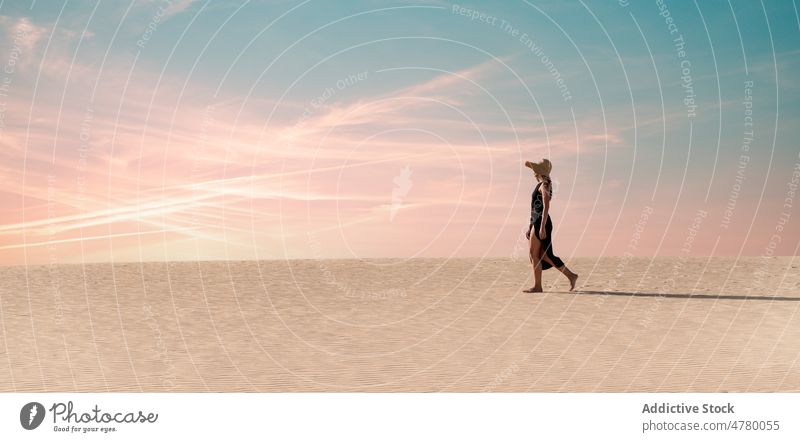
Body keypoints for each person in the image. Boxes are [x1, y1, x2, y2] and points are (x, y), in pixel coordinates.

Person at [523, 159, 578, 293]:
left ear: (539, 172)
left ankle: (538, 286)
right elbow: (535, 208)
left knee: (535, 254)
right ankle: (570, 275)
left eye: (535, 171)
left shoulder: (545, 185)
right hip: (536, 221)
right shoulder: (541, 184)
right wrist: (531, 226)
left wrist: (541, 227)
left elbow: (546, 206)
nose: (534, 173)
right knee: (542, 255)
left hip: (543, 221)